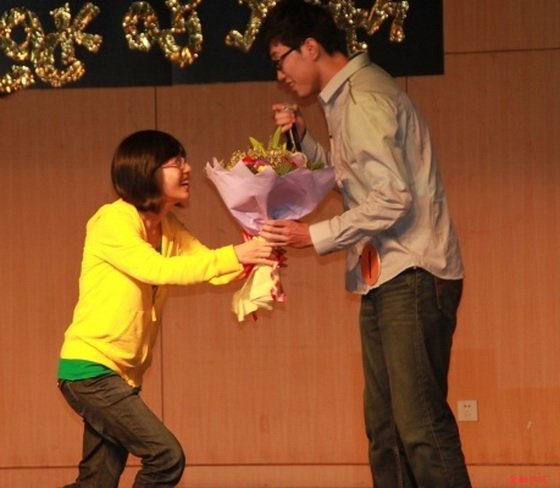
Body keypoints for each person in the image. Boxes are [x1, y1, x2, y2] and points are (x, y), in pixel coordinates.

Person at [257, 1, 471, 487]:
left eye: (280, 59)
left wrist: (313, 235)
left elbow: (392, 197)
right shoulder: (347, 98)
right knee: (387, 430)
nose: (280, 75)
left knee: (419, 428)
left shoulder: (362, 99)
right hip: (388, 275)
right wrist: (305, 141)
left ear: (311, 47)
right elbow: (357, 180)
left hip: (411, 271)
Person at [57, 129, 275, 488]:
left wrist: (261, 252)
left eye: (183, 160)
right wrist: (238, 254)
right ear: (145, 170)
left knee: (95, 484)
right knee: (165, 457)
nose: (187, 169)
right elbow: (158, 270)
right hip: (89, 370)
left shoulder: (168, 226)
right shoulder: (112, 220)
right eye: (176, 162)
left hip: (121, 375)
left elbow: (210, 267)